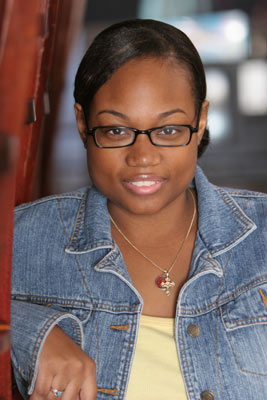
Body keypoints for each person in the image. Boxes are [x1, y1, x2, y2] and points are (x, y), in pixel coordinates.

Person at [11, 19, 267, 400]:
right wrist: (30, 331)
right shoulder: (22, 239)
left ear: (200, 121)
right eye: (116, 130)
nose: (143, 157)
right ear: (83, 124)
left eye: (168, 130)